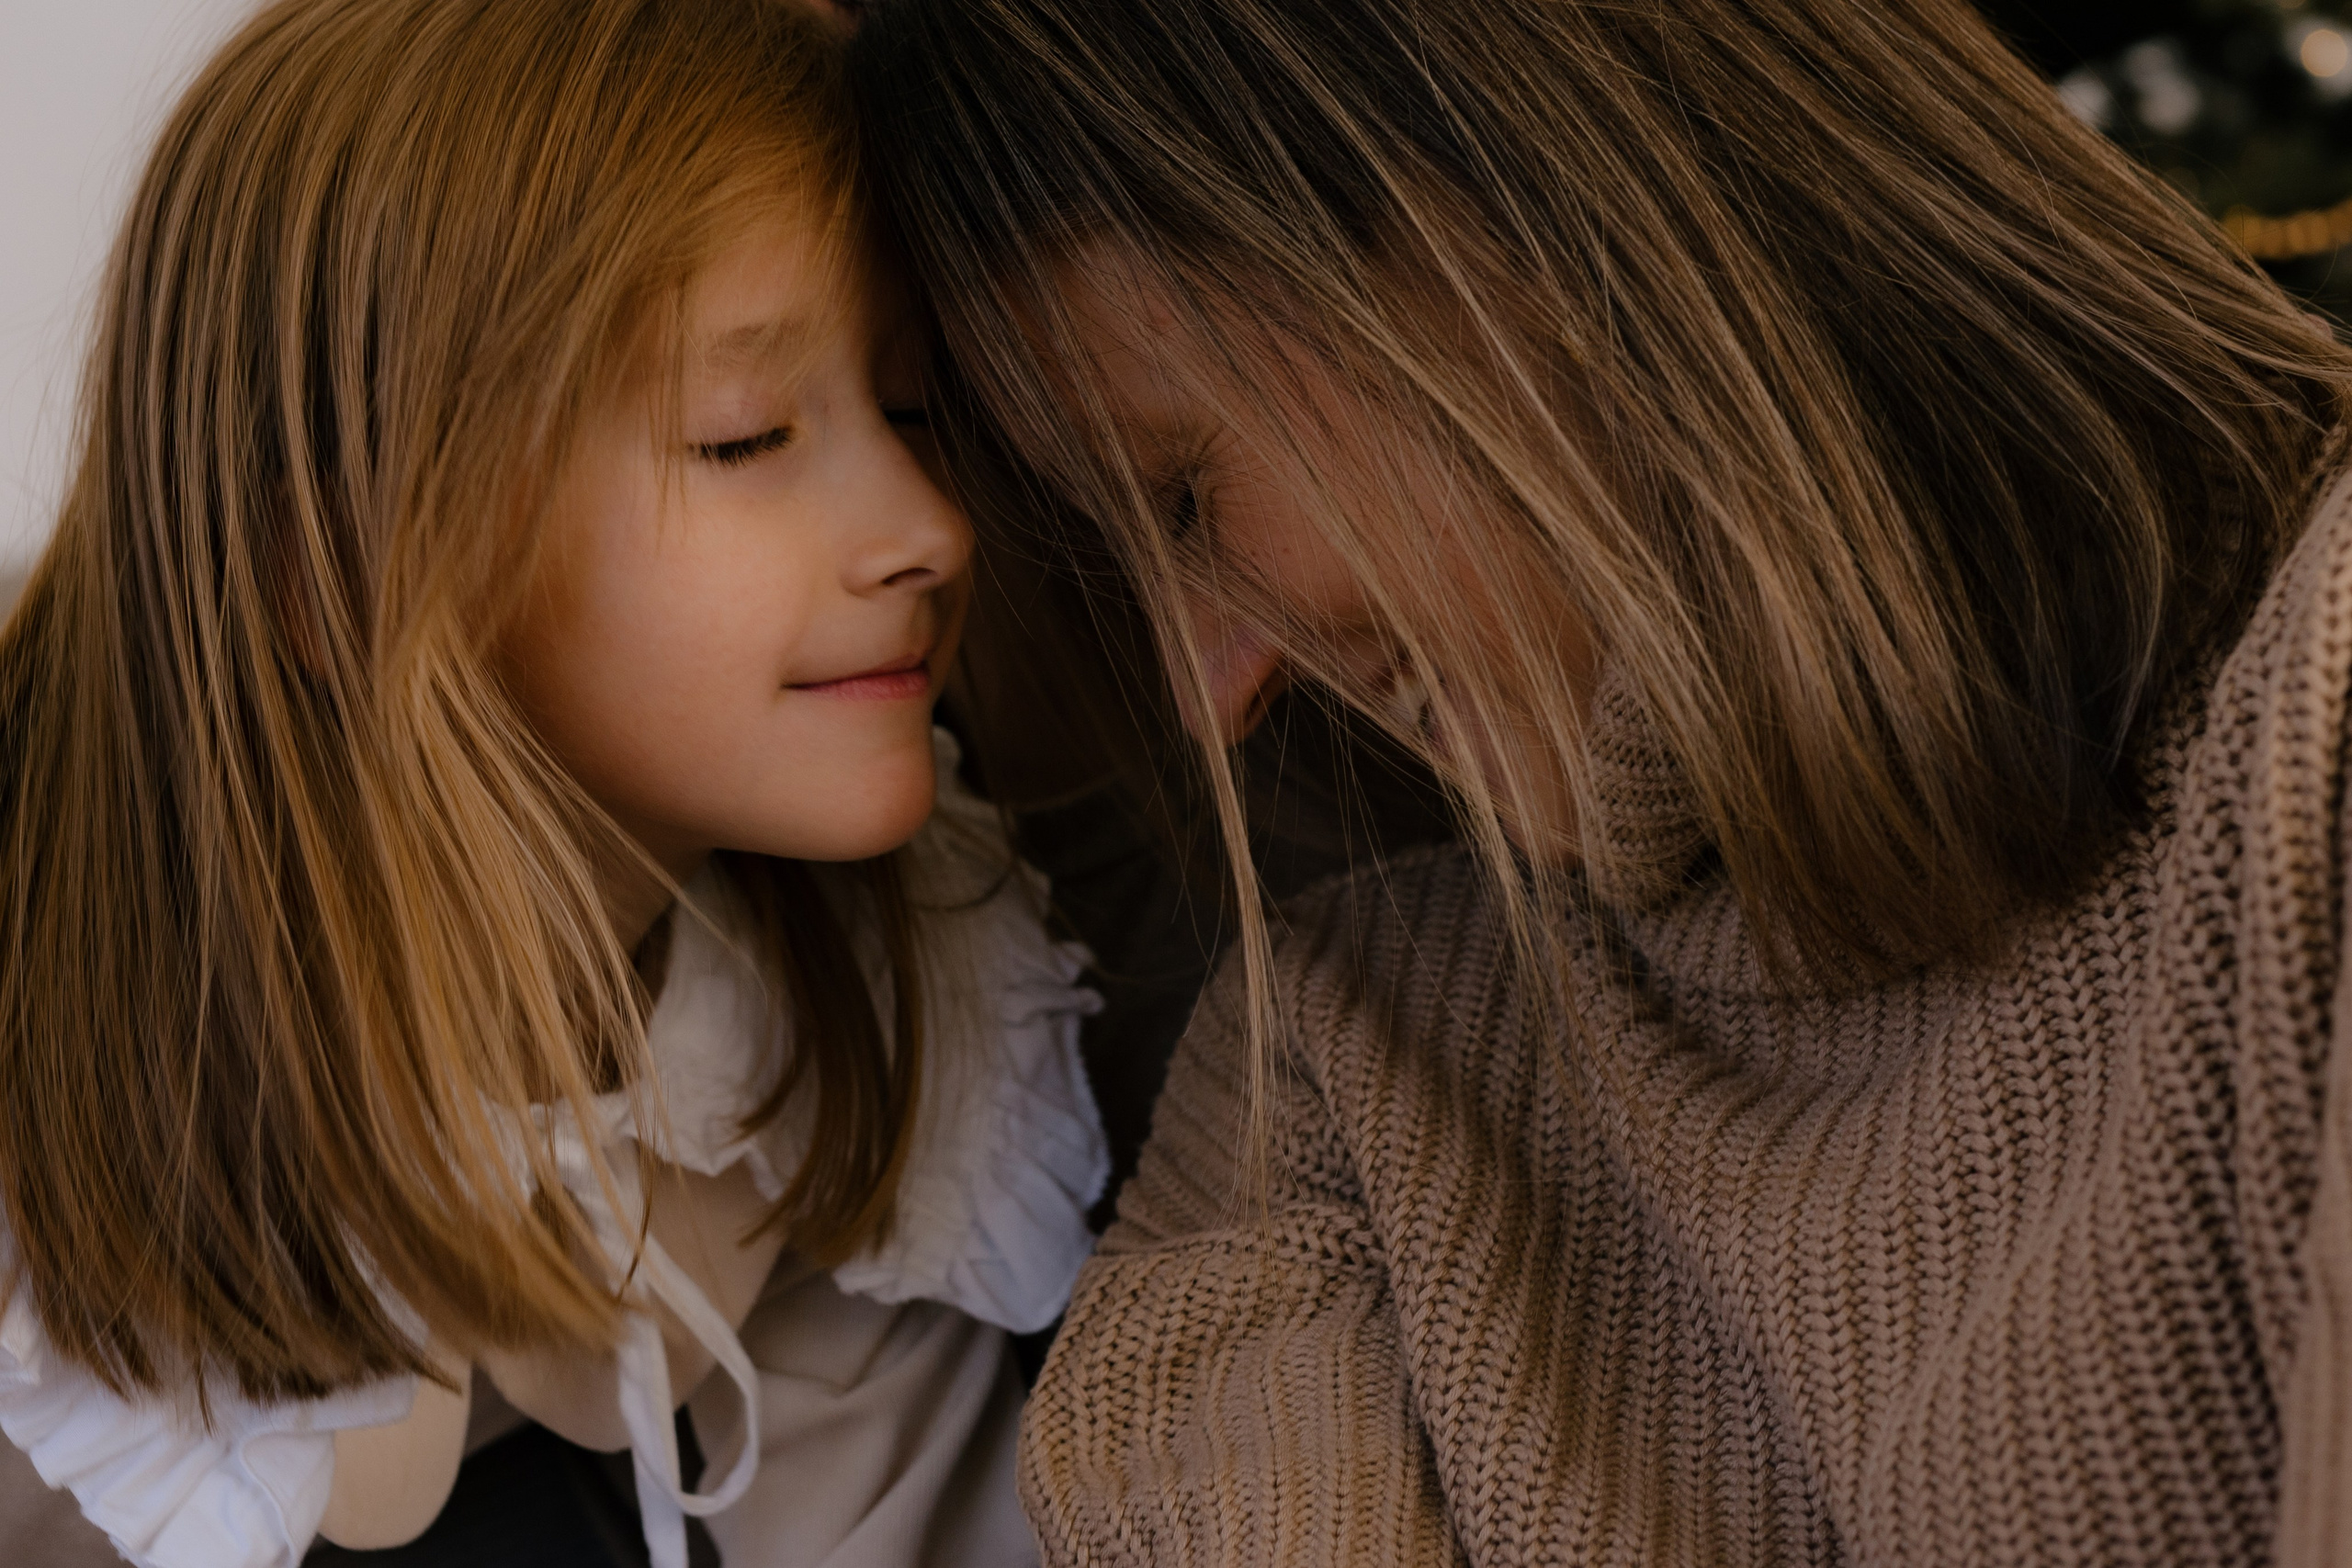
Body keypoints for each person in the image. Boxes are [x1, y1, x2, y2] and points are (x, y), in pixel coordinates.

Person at [852, 0, 2352, 1562]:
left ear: (1519, 215)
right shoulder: (1339, 1079)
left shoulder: (2310, 736)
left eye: (1181, 494)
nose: (1210, 691)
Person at [0, 1, 1107, 1565]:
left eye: (915, 406)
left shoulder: (860, 985)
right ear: (345, 571)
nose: (928, 527)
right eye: (746, 436)